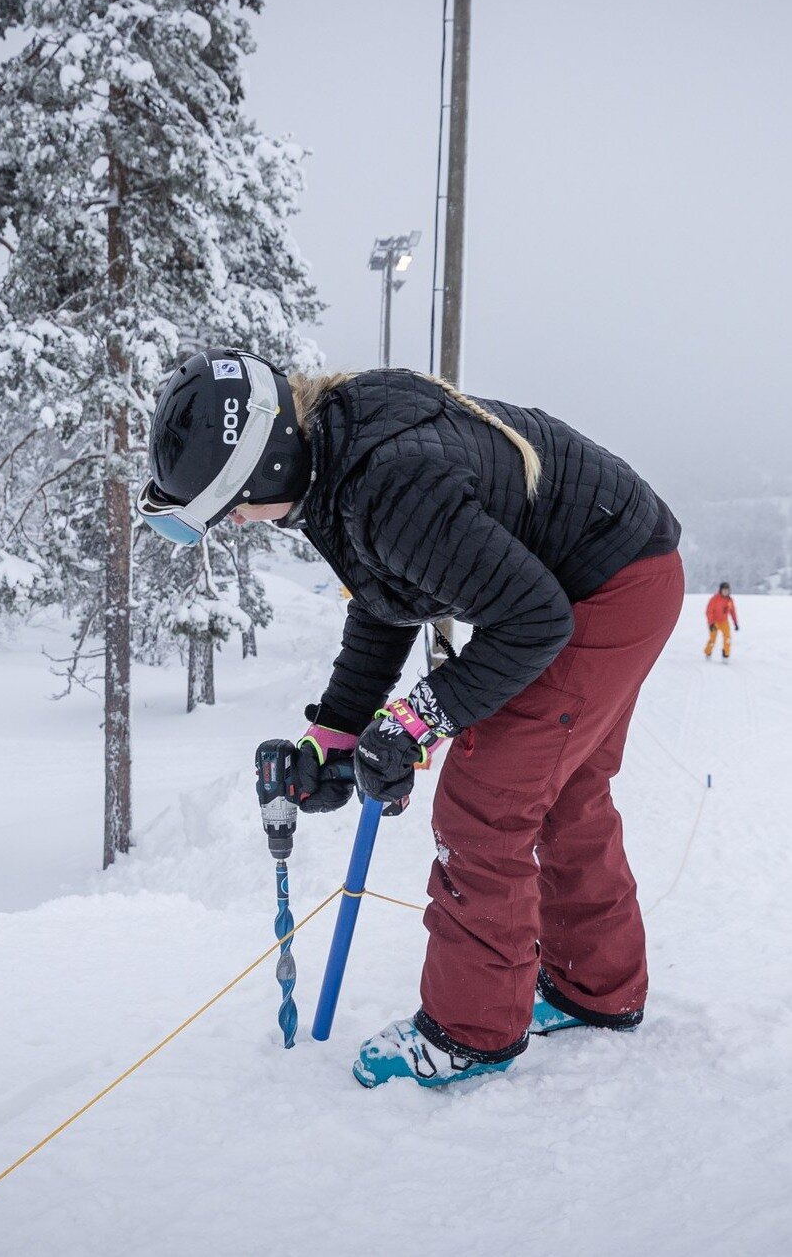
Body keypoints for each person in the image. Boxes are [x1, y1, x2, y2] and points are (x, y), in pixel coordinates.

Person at [137, 348, 683, 1090]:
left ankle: (470, 1034)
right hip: (612, 571)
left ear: (268, 467)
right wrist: (335, 730)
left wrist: (414, 722)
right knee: (563, 791)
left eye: (230, 507)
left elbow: (529, 621)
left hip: (600, 590)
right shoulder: (335, 451)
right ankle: (596, 991)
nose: (236, 523)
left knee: (485, 802)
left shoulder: (387, 482)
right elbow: (389, 595)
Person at [704, 582, 739, 660]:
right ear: (720, 590)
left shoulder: (730, 600)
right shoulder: (714, 599)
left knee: (727, 638)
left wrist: (735, 623)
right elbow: (709, 611)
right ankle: (708, 652)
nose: (726, 592)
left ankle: (726, 654)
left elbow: (733, 612)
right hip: (714, 622)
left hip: (724, 622)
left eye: (727, 590)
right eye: (724, 590)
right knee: (713, 639)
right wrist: (711, 623)